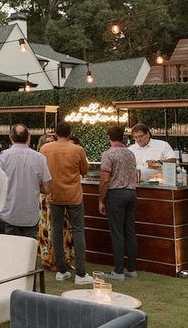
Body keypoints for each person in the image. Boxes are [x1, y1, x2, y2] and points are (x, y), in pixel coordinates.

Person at [40, 122, 93, 285]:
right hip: (73, 195)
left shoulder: (45, 149)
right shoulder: (77, 149)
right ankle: (81, 274)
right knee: (78, 230)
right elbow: (85, 171)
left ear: (55, 133)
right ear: (70, 134)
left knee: (56, 230)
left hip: (54, 194)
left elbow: (42, 171)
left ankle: (61, 271)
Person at [0, 125, 52, 239]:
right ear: (29, 137)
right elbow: (47, 188)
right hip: (30, 214)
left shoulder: (2, 157)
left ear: (10, 137)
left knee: (11, 251)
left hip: (9, 213)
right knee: (28, 252)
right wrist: (34, 186)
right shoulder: (40, 158)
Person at [99, 126, 138, 281]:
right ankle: (132, 269)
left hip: (116, 194)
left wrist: (101, 199)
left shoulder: (108, 154)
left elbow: (104, 179)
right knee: (130, 231)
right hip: (131, 193)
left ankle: (118, 271)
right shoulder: (130, 153)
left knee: (117, 233)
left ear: (109, 137)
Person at [35, 134, 75, 270]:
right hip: (45, 196)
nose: (51, 144)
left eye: (53, 141)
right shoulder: (39, 159)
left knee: (62, 227)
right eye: (47, 142)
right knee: (47, 227)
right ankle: (48, 259)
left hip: (60, 195)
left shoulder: (58, 157)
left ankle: (63, 258)